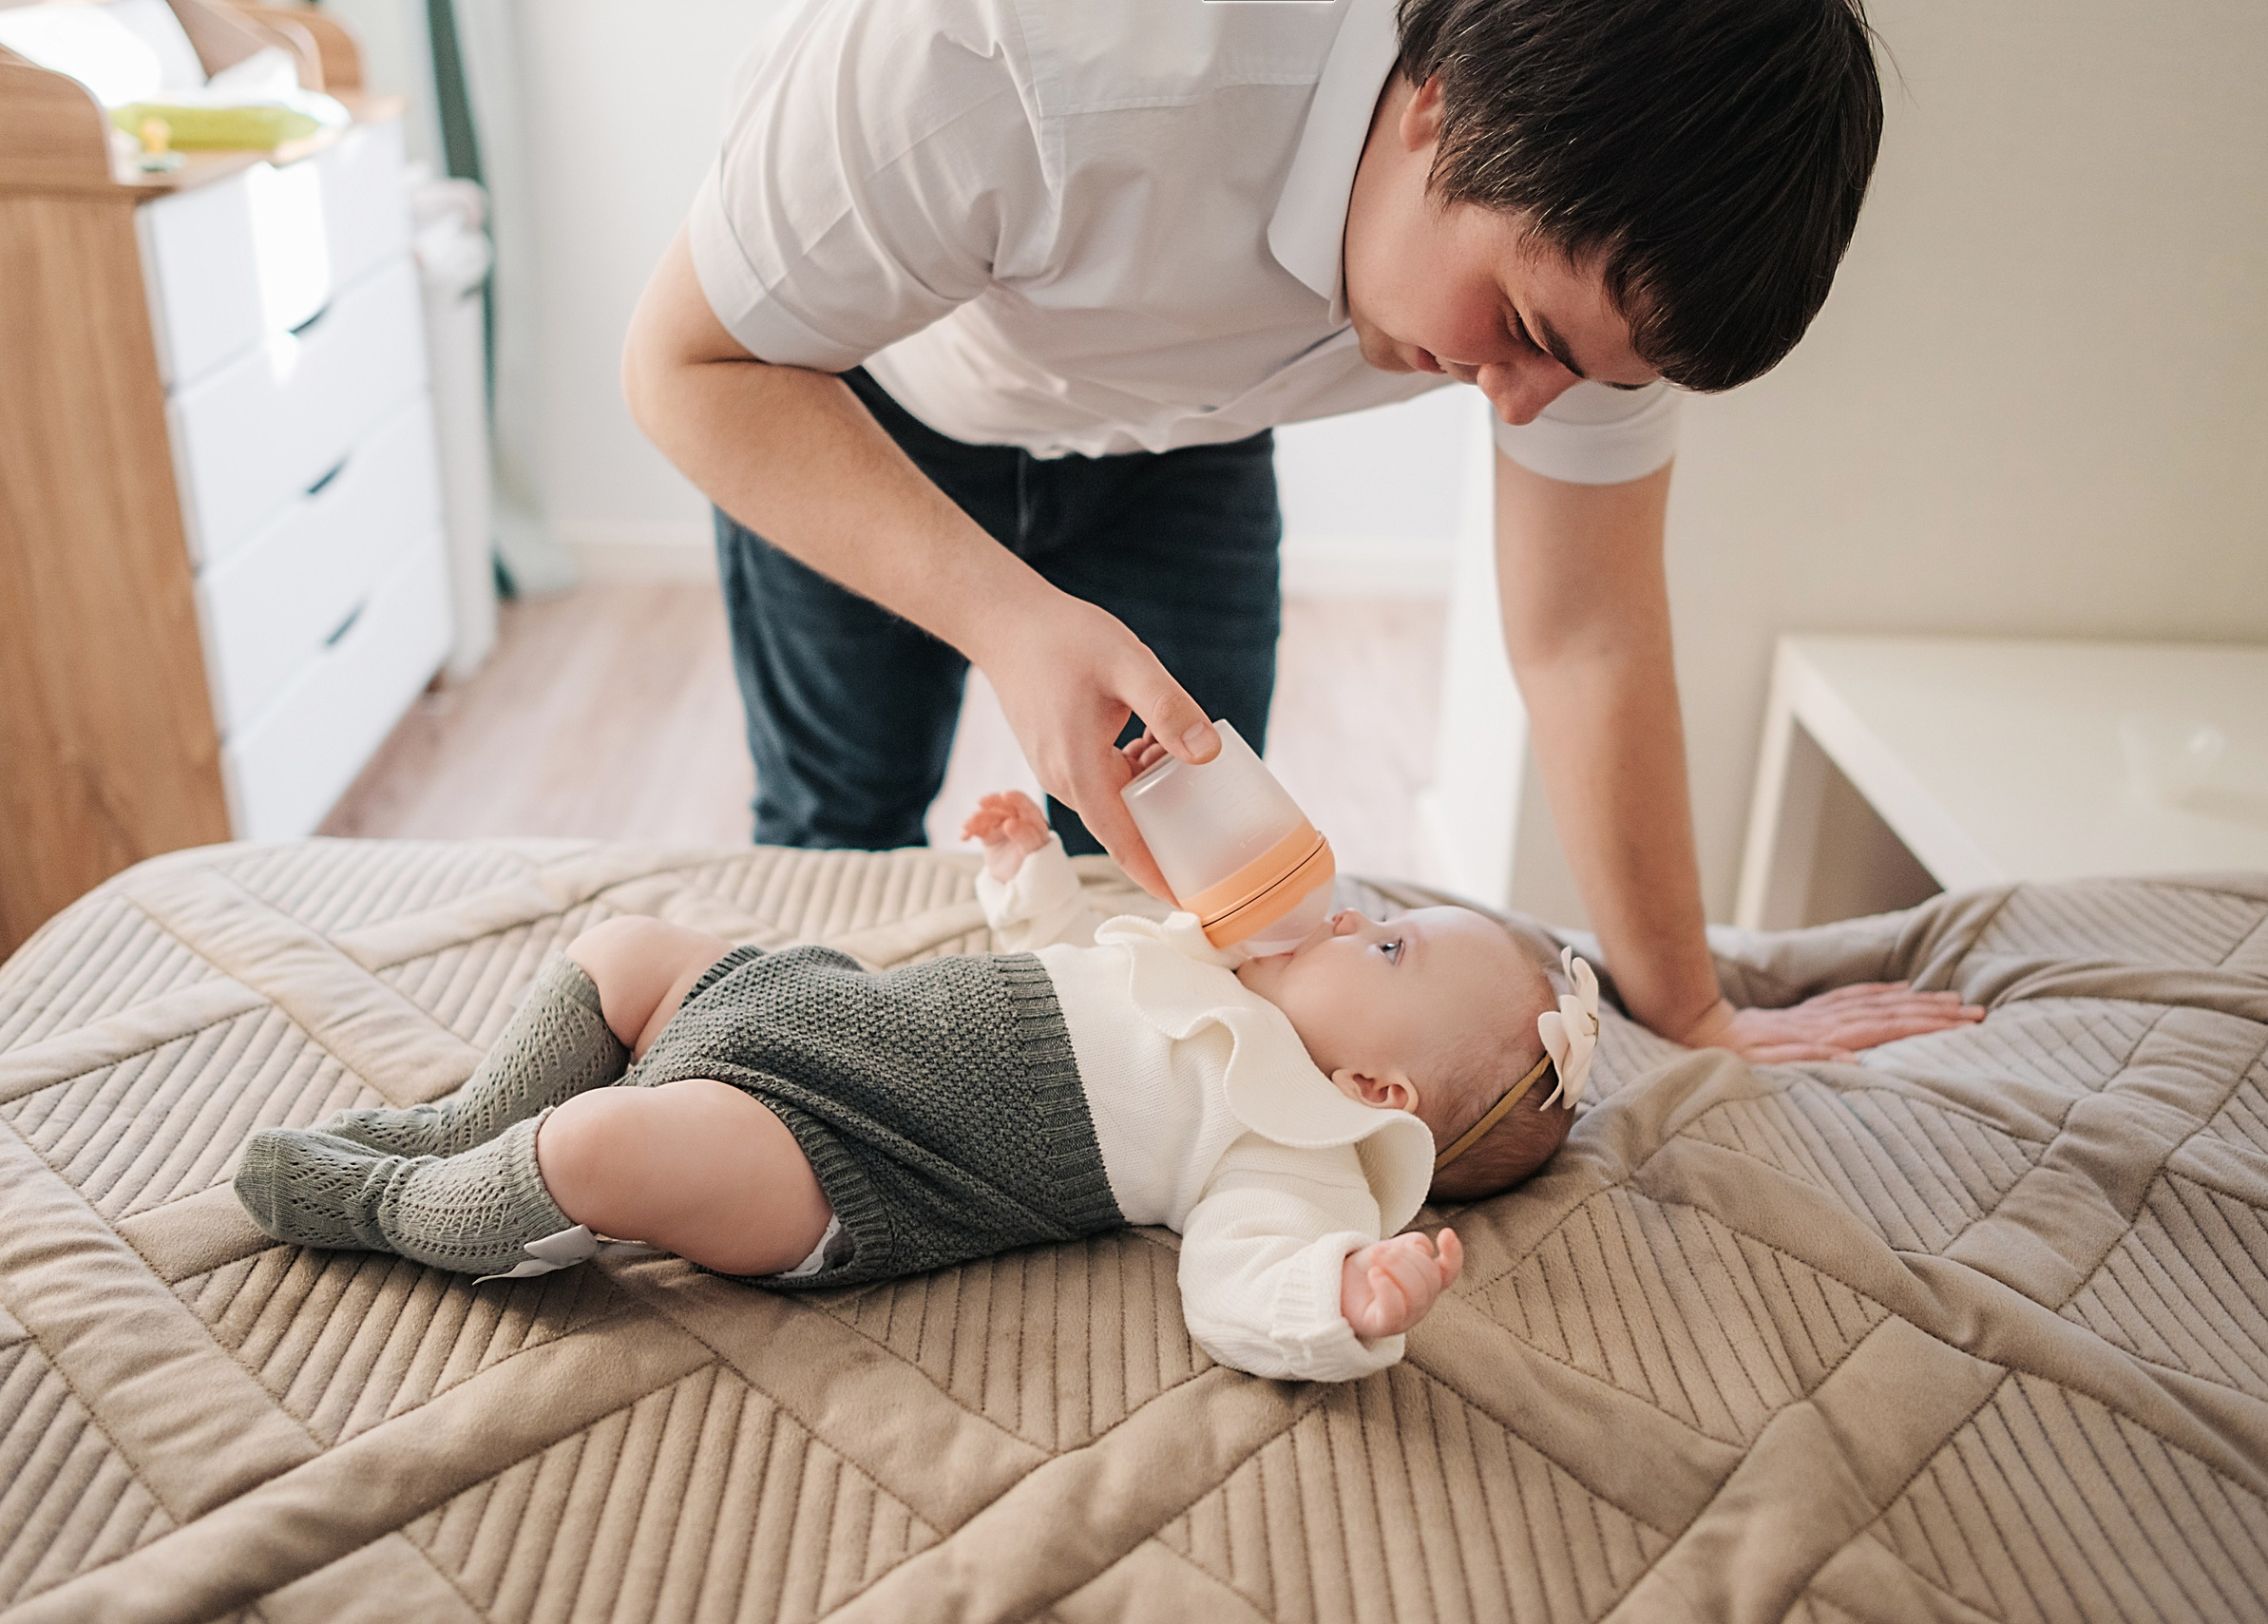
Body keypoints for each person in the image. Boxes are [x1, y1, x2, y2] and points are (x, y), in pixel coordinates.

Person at [622, 0, 1970, 1064]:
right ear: (1437, 109)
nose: (1527, 404)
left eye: (1590, 380)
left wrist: (1694, 1014)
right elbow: (685, 364)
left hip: (1176, 445)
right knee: (832, 821)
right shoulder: (1009, 47)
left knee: (1192, 903)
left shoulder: (1587, 287)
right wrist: (1010, 618)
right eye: (1519, 334)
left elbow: (1588, 637)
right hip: (846, 389)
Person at [230, 789, 1641, 1381]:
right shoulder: (1227, 973)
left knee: (605, 1143)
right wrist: (1026, 874)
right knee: (624, 947)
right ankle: (466, 1119)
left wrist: (1340, 1301)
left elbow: (1240, 1281)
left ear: (1379, 1088)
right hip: (822, 1008)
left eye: (1385, 943)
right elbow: (1070, 967)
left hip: (849, 1160)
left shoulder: (1292, 1142)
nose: (1347, 919)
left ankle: (411, 1200)